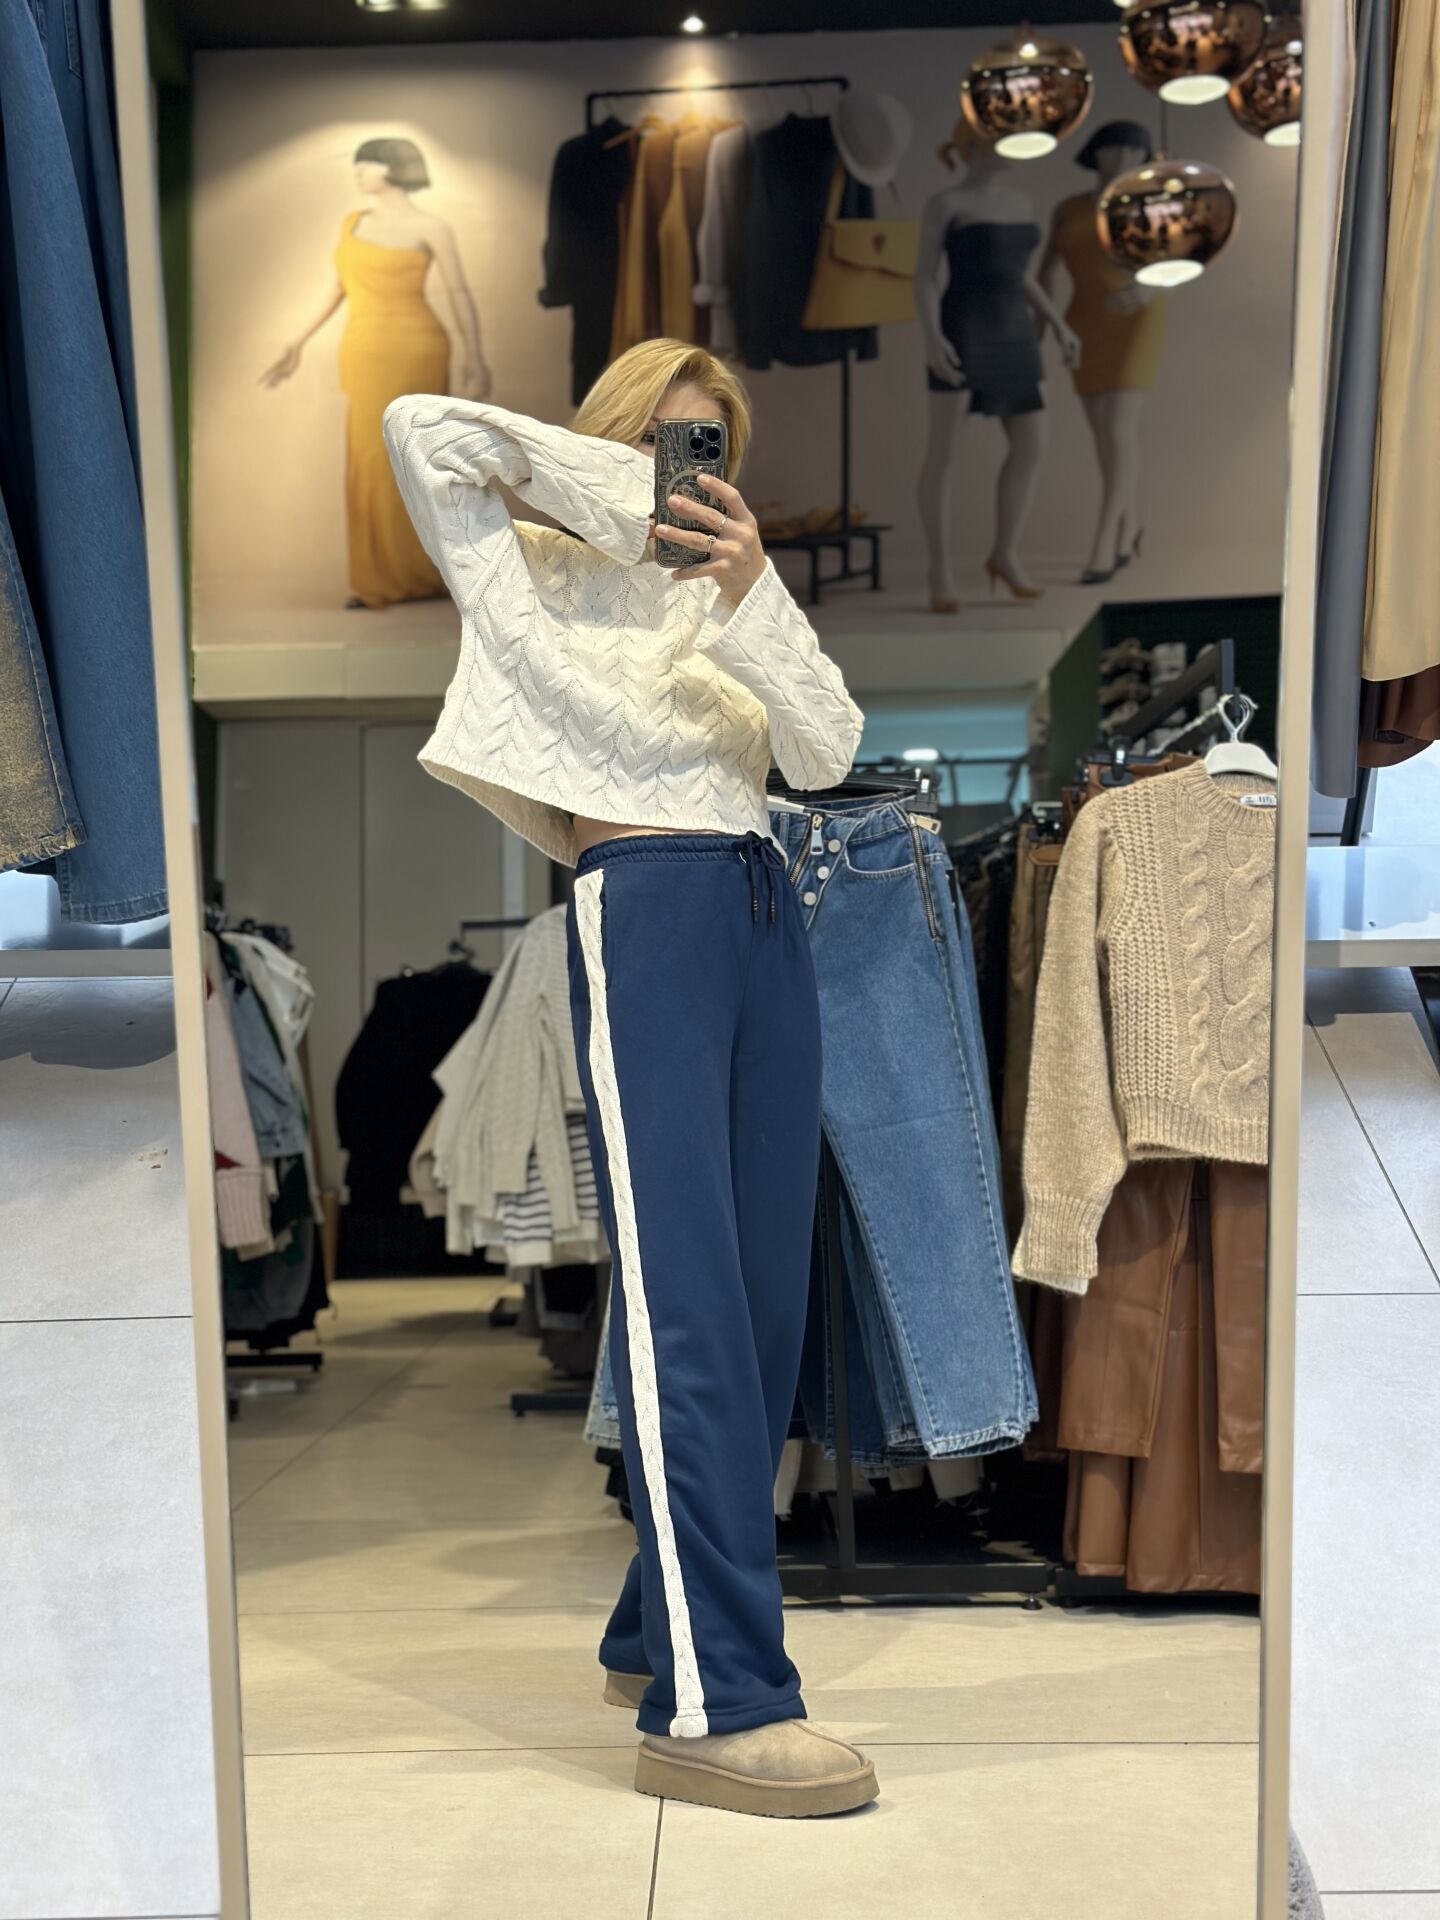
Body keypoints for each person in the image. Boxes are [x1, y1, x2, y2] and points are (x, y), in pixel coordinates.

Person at [381, 340, 878, 1820]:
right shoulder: (525, 564)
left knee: (766, 1311)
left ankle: (651, 1628)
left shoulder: (731, 589)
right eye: (668, 438)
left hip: (765, 903)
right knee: (689, 1311)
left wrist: (747, 582)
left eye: (711, 444)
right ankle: (716, 1703)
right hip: (648, 900)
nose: (690, 469)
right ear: (610, 441)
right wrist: (621, 494)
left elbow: (828, 748)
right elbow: (420, 427)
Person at [260, 136, 491, 609]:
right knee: (369, 459)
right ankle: (379, 577)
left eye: (363, 166)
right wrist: (296, 342)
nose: (357, 174)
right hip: (364, 350)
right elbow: (337, 288)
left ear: (388, 168)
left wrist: (475, 355)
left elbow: (459, 293)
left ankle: (424, 574)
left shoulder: (432, 226)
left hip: (416, 348)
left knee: (413, 457)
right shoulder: (353, 223)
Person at [916, 121, 1078, 608]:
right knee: (944, 452)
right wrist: (932, 337)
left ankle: (1005, 554)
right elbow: (925, 276)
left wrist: (1059, 324)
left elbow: (1019, 274)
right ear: (972, 145)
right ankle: (940, 571)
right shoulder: (946, 203)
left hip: (1014, 329)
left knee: (1032, 443)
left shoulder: (1020, 203)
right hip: (964, 324)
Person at [1037, 120, 1167, 584]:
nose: (1122, 159)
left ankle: (1104, 544)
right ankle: (1130, 527)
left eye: (1133, 151)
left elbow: (1177, 258)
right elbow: (1046, 270)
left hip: (1137, 317)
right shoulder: (1069, 209)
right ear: (1096, 153)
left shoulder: (1149, 203)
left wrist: (1149, 289)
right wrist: (1044, 326)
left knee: (1118, 429)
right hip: (1084, 320)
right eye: (1114, 149)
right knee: (1103, 437)